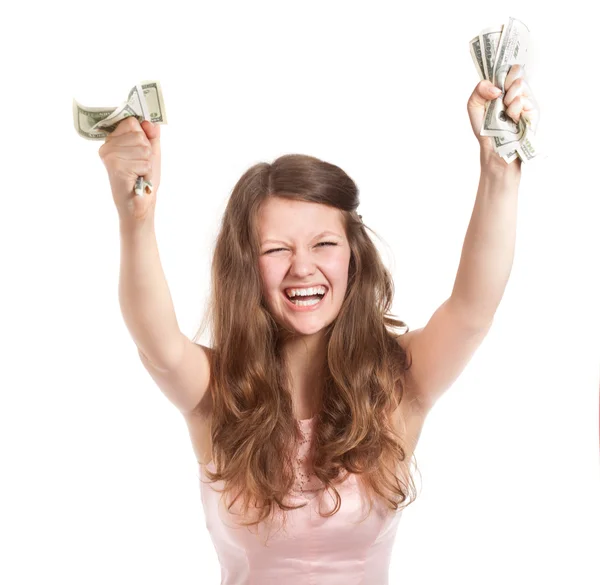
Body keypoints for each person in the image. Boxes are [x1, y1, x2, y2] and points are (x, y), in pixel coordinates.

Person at [99, 65, 539, 584]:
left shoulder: (397, 383)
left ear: (353, 256)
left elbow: (471, 309)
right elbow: (156, 342)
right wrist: (136, 219)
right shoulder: (216, 394)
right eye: (276, 249)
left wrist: (498, 172)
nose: (302, 267)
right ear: (247, 266)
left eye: (323, 244)